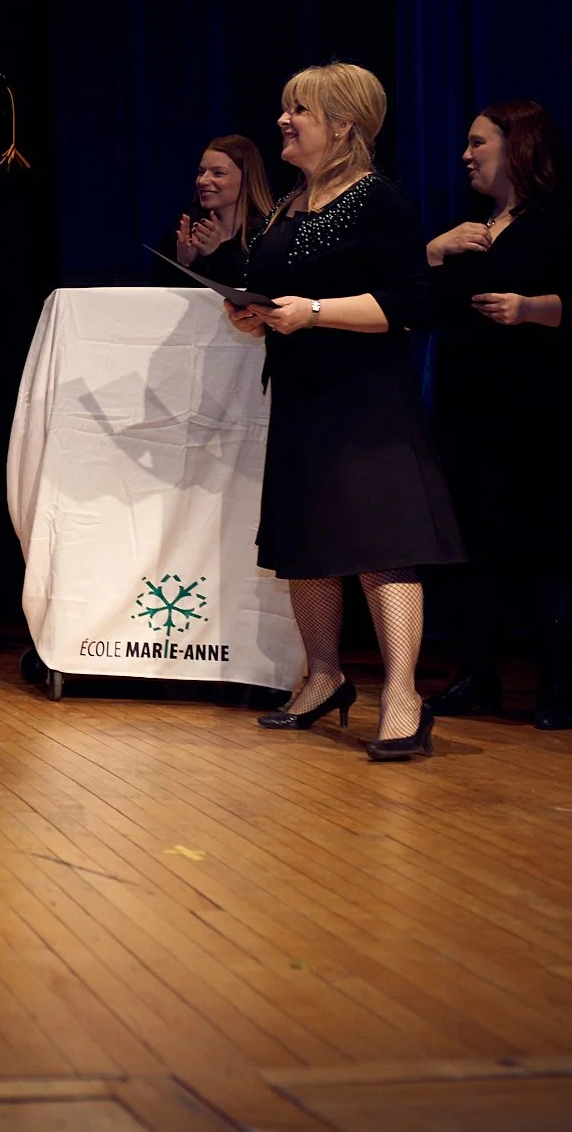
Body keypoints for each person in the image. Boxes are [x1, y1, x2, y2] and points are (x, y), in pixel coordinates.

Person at [229, 62, 465, 761]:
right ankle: (324, 675)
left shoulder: (377, 200)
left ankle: (401, 695)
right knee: (309, 543)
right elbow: (276, 292)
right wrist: (252, 313)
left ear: (343, 126)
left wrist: (317, 312)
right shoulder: (287, 205)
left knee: (380, 546)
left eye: (298, 109)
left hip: (365, 399)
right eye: (284, 107)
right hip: (303, 395)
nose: (283, 120)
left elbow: (409, 303)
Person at [422, 100, 572, 729]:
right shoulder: (469, 226)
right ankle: (477, 677)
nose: (466, 155)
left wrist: (531, 308)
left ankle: (556, 688)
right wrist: (435, 252)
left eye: (478, 143)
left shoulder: (569, 215)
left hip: (545, 410)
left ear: (518, 146)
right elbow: (425, 308)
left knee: (550, 548)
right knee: (474, 547)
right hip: (472, 411)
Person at [165, 134, 277, 286]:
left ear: (246, 179)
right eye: (201, 172)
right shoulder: (187, 226)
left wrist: (216, 255)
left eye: (218, 173)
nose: (203, 181)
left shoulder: (268, 233)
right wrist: (184, 263)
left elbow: (259, 290)